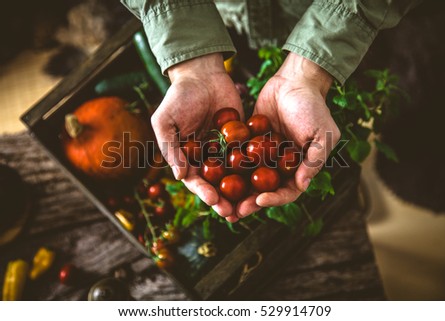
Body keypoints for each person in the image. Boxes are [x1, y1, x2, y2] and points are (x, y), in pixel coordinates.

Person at [120, 0, 420, 222]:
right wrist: (190, 62)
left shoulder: (239, 145)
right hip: (223, 17)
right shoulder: (241, 146)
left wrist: (312, 70)